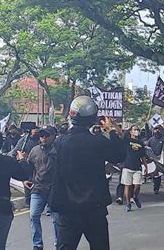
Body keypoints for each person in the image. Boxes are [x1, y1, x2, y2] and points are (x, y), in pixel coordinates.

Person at [48, 96, 124, 250]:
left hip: (67, 208)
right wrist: (112, 131)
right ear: (92, 118)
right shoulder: (98, 142)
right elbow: (119, 155)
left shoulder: (60, 142)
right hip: (93, 207)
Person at [20, 126, 59, 250]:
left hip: (55, 188)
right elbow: (30, 168)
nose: (44, 137)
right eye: (42, 135)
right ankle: (37, 244)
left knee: (56, 218)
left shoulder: (59, 150)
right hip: (38, 188)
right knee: (33, 216)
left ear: (54, 136)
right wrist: (25, 179)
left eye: (47, 135)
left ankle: (59, 243)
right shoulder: (35, 150)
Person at [8, 125, 40, 206]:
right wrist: (20, 156)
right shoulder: (24, 141)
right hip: (26, 166)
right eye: (34, 129)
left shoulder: (41, 140)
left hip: (39, 166)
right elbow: (15, 152)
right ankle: (29, 200)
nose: (36, 131)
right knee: (28, 183)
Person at [122, 125, 148, 212]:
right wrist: (114, 124)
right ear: (131, 131)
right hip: (127, 166)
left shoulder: (141, 143)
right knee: (127, 186)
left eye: (137, 129)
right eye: (135, 129)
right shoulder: (127, 140)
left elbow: (143, 156)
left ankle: (135, 197)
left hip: (137, 167)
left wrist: (146, 167)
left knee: (137, 185)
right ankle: (128, 203)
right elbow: (120, 133)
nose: (136, 131)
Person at [146, 126, 164, 194]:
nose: (157, 131)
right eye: (155, 130)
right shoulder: (151, 140)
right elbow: (147, 148)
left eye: (158, 130)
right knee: (154, 174)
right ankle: (155, 185)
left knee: (158, 174)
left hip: (161, 160)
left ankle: (156, 188)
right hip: (152, 160)